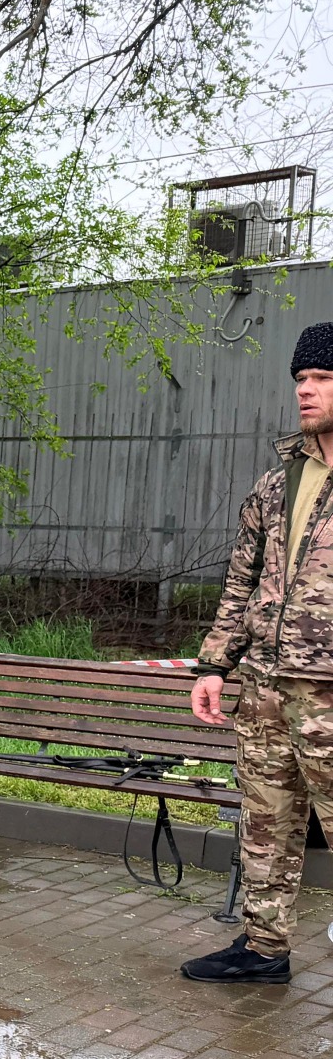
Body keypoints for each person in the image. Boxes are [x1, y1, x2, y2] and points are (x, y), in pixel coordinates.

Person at [184, 320, 333, 984]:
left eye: (323, 379)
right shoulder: (277, 483)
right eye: (301, 378)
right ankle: (264, 949)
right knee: (267, 826)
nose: (306, 391)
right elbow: (240, 581)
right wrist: (215, 664)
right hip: (267, 690)